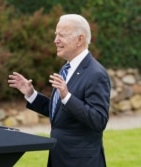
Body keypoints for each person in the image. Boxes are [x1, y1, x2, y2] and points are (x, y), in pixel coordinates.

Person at [8, 14, 111, 167]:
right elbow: (60, 112)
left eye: (61, 35)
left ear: (80, 39)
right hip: (59, 156)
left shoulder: (96, 74)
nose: (55, 40)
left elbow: (98, 120)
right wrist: (31, 94)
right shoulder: (66, 68)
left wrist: (67, 96)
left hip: (81, 161)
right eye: (56, 35)